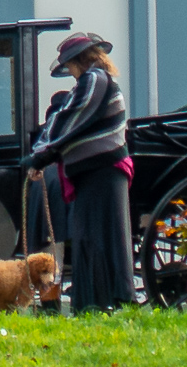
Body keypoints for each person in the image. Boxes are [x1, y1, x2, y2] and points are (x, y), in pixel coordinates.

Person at [21, 32, 135, 312]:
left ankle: (97, 302)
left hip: (101, 172)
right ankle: (102, 300)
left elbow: (70, 119)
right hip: (101, 172)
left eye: (70, 67)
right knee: (99, 236)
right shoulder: (102, 80)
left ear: (79, 61)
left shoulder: (94, 80)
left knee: (94, 236)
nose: (70, 73)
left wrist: (40, 155)